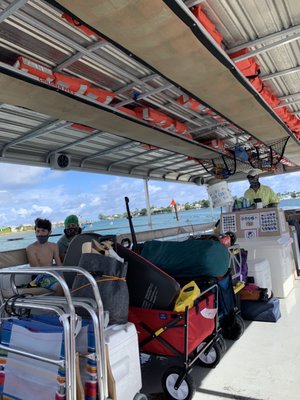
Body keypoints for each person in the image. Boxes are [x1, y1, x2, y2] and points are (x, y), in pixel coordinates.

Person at [26, 218, 62, 293]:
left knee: (66, 285)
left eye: (43, 231)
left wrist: (63, 278)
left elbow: (59, 265)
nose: (40, 234)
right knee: (61, 287)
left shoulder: (54, 246)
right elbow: (36, 270)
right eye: (38, 231)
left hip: (52, 274)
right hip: (38, 277)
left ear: (49, 232)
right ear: (35, 232)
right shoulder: (30, 248)